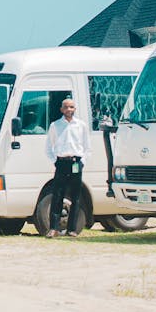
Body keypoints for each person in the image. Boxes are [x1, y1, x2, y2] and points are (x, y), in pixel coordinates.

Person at [45, 98, 90, 237]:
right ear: (61, 109)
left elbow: (87, 147)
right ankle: (54, 228)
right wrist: (55, 161)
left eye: (71, 107)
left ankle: (72, 229)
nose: (69, 109)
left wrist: (82, 162)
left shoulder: (81, 125)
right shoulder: (55, 125)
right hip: (61, 163)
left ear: (74, 109)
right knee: (57, 195)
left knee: (76, 196)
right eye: (66, 107)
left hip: (76, 163)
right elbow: (48, 147)